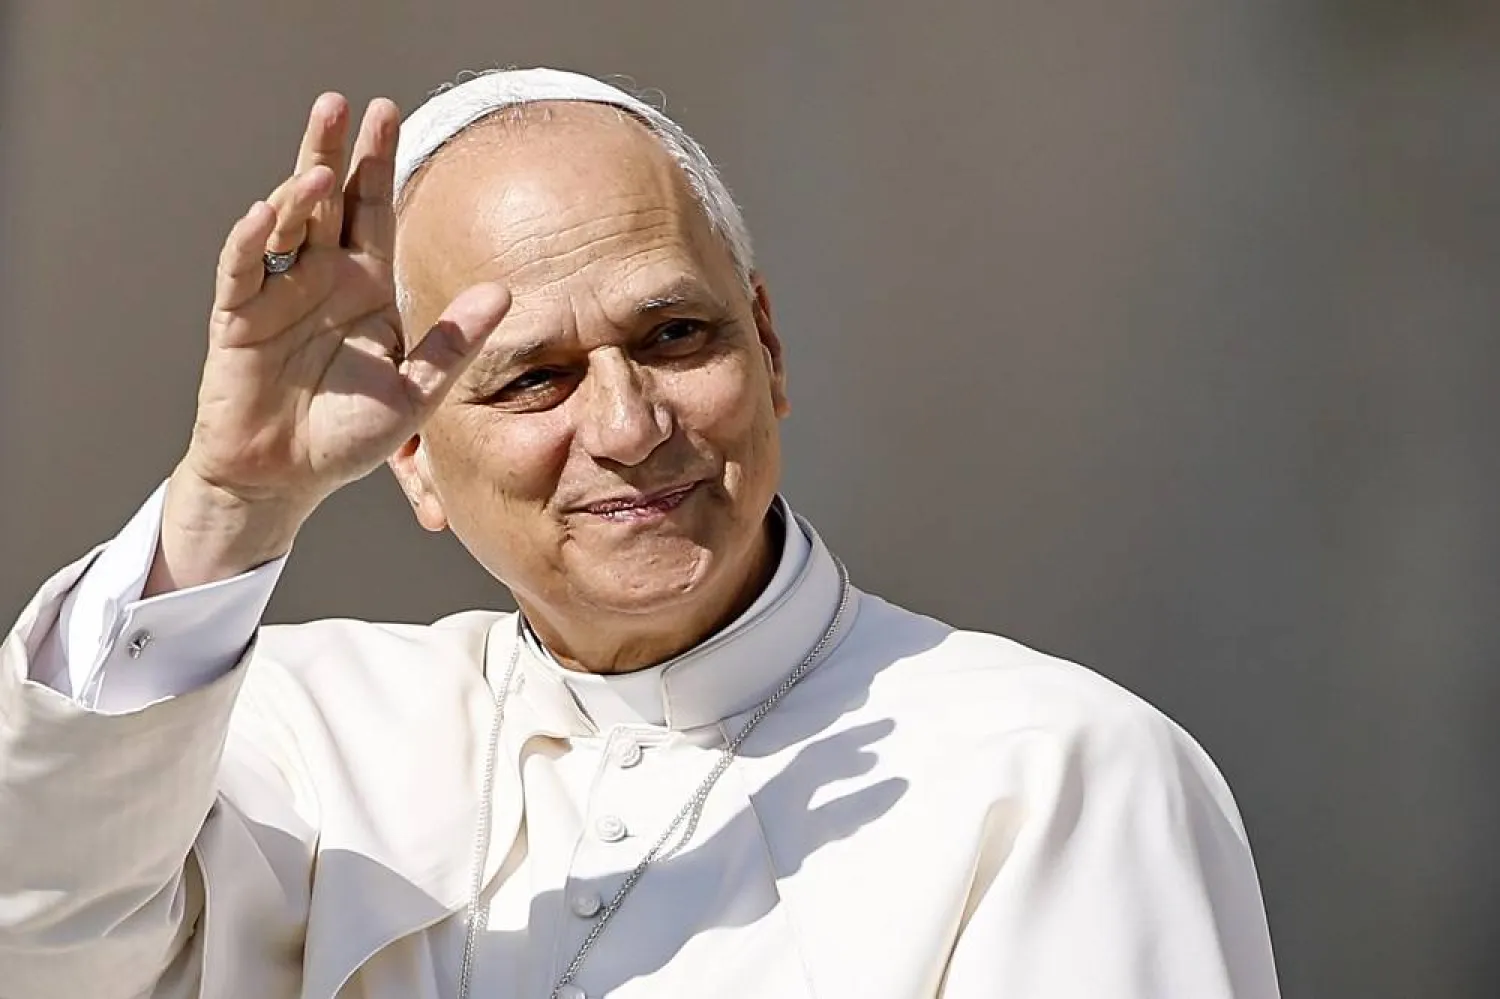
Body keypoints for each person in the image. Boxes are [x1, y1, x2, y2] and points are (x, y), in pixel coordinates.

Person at [0, 68, 1281, 999]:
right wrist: (232, 501)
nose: (627, 422)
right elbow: (41, 946)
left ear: (768, 348)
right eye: (531, 380)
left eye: (675, 337)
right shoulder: (294, 737)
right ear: (411, 457)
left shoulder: (1060, 773)